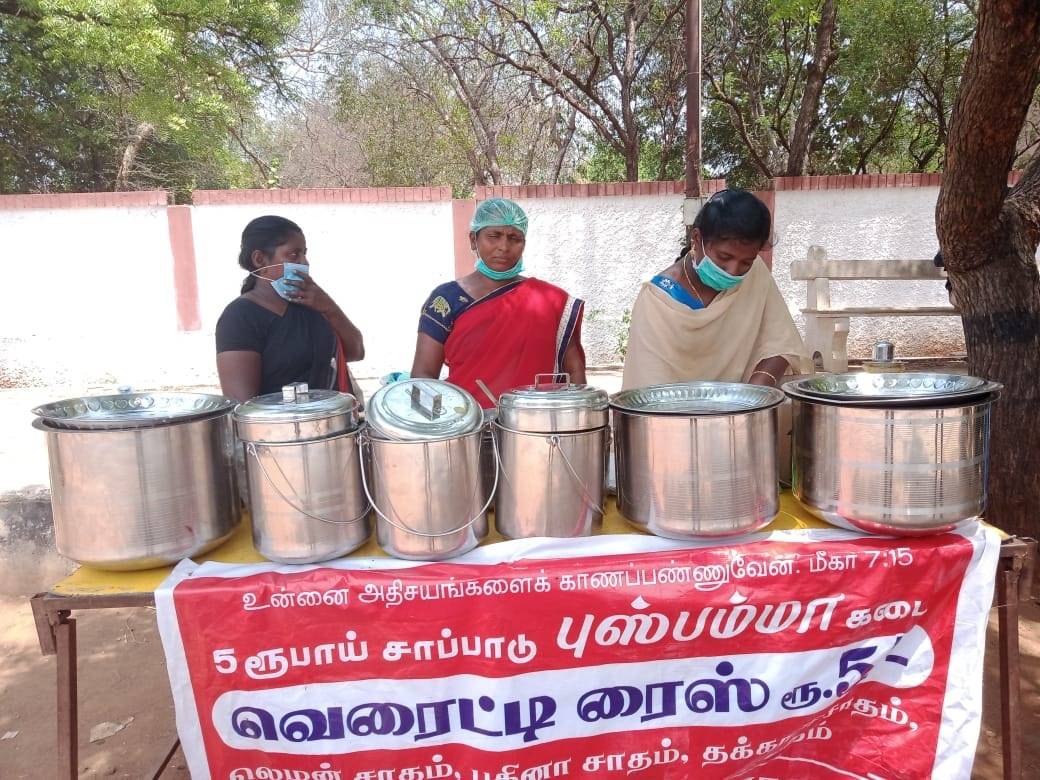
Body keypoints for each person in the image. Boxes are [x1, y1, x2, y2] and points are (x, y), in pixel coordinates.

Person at [621, 189, 806, 390]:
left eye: (746, 262)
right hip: (674, 416)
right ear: (697, 239)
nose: (733, 272)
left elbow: (781, 344)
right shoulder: (657, 301)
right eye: (724, 258)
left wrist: (753, 395)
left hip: (744, 413)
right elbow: (649, 391)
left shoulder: (756, 275)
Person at [411, 198, 586, 406]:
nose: (504, 246)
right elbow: (423, 376)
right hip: (468, 427)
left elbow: (574, 370)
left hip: (538, 425)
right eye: (493, 236)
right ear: (473, 240)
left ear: (524, 243)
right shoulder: (445, 300)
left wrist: (581, 421)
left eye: (514, 238)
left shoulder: (551, 300)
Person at [216, 215, 364, 402]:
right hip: (277, 428)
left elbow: (356, 352)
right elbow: (242, 403)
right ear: (260, 259)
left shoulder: (312, 305)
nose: (304, 262)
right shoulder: (240, 317)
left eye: (305, 253)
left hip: (329, 424)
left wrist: (329, 307)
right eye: (294, 254)